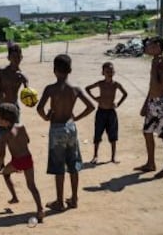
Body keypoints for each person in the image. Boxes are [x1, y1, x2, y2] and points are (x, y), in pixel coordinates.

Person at [37, 54, 95, 211]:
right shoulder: (75, 89)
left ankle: (60, 201)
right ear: (70, 70)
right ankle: (74, 198)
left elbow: (39, 108)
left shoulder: (50, 89)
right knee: (73, 163)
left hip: (56, 128)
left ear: (54, 70)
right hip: (70, 127)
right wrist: (77, 117)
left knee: (58, 166)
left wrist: (46, 116)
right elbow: (91, 106)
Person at [0, 103, 44, 222]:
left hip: (17, 161)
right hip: (28, 158)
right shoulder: (21, 126)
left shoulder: (4, 134)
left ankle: (14, 197)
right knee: (32, 185)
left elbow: (2, 154)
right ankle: (40, 209)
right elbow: (27, 140)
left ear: (5, 120)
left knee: (5, 174)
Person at [135, 36, 163, 178]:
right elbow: (152, 87)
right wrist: (146, 103)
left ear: (158, 46)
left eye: (149, 45)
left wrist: (155, 69)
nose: (146, 48)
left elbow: (160, 88)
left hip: (162, 104)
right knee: (147, 132)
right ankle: (150, 163)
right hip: (152, 102)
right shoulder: (154, 61)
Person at [0, 44, 28, 158]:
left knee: (14, 135)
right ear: (8, 58)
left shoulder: (22, 76)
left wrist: (26, 82)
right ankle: (1, 161)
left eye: (18, 57)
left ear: (21, 57)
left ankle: (15, 161)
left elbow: (28, 95)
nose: (16, 60)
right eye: (13, 57)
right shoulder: (1, 71)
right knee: (2, 137)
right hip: (2, 107)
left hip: (14, 108)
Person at [85, 62, 128, 165]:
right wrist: (95, 98)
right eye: (107, 71)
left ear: (114, 72)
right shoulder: (100, 83)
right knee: (97, 134)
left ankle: (113, 157)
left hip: (111, 112)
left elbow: (125, 94)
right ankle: (95, 156)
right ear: (102, 72)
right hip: (101, 112)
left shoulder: (116, 84)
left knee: (113, 135)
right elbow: (87, 88)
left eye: (111, 71)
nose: (109, 73)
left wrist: (118, 103)